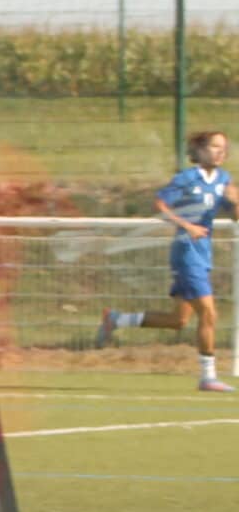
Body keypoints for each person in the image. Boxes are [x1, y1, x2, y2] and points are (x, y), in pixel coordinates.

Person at [99, 128, 236, 391]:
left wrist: (236, 202)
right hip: (186, 253)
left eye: (223, 147)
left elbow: (235, 216)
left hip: (203, 253)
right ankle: (208, 376)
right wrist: (187, 225)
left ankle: (116, 319)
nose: (221, 152)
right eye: (214, 146)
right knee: (208, 312)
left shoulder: (224, 179)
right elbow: (160, 205)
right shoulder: (187, 178)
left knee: (178, 320)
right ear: (199, 151)